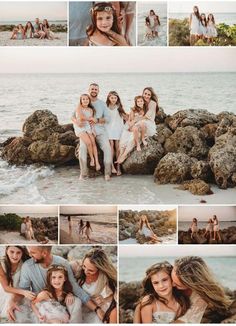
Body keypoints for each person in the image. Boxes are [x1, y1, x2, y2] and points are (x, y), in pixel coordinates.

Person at [7, 246, 105, 323]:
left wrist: (97, 309)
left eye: (32, 252)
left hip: (63, 301)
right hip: (42, 303)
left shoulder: (63, 263)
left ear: (44, 253)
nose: (29, 254)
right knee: (16, 315)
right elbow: (23, 290)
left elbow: (75, 288)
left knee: (76, 302)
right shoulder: (27, 266)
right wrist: (11, 302)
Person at [171, 256, 232, 323]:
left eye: (177, 285)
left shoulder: (201, 298)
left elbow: (185, 321)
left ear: (192, 285)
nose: (172, 284)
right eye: (171, 278)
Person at [75, 83, 112, 181]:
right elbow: (72, 116)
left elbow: (108, 118)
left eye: (96, 89)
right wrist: (77, 122)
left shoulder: (102, 104)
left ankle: (107, 173)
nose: (94, 91)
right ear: (89, 90)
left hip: (99, 131)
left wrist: (98, 120)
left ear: (98, 91)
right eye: (92, 89)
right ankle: (83, 174)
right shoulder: (83, 102)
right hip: (86, 131)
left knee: (107, 148)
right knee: (82, 148)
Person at [72, 248, 117, 323]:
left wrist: (104, 300)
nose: (86, 271)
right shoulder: (78, 272)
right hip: (82, 309)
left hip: (100, 310)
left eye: (91, 270)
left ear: (100, 269)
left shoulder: (106, 279)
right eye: (84, 266)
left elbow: (114, 298)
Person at [118, 87, 158, 164]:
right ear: (142, 93)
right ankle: (121, 153)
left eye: (149, 95)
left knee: (135, 135)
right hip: (138, 122)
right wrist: (130, 121)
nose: (146, 96)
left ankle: (125, 154)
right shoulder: (140, 101)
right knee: (128, 133)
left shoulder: (153, 103)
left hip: (148, 123)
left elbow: (146, 116)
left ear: (151, 96)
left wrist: (134, 121)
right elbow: (133, 114)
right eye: (145, 94)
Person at [0, 246, 35, 319]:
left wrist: (24, 292)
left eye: (18, 252)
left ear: (22, 253)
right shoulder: (1, 263)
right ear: (6, 251)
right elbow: (6, 288)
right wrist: (23, 292)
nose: (15, 256)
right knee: (9, 313)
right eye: (11, 252)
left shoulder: (26, 262)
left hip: (23, 289)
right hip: (9, 290)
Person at [72, 94, 100, 173]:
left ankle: (97, 162)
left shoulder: (91, 109)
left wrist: (93, 129)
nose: (85, 100)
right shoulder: (79, 107)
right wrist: (90, 118)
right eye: (83, 99)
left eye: (87, 99)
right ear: (81, 101)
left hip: (88, 126)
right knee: (88, 143)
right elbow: (81, 117)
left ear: (89, 100)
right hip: (80, 127)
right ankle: (92, 159)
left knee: (93, 143)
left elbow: (91, 122)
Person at [105, 91, 127, 175]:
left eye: (115, 98)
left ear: (117, 99)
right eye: (111, 98)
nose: (113, 99)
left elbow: (126, 117)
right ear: (109, 98)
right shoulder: (106, 107)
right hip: (109, 128)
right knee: (111, 145)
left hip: (118, 129)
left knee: (117, 146)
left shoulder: (119, 107)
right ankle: (112, 167)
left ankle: (118, 167)